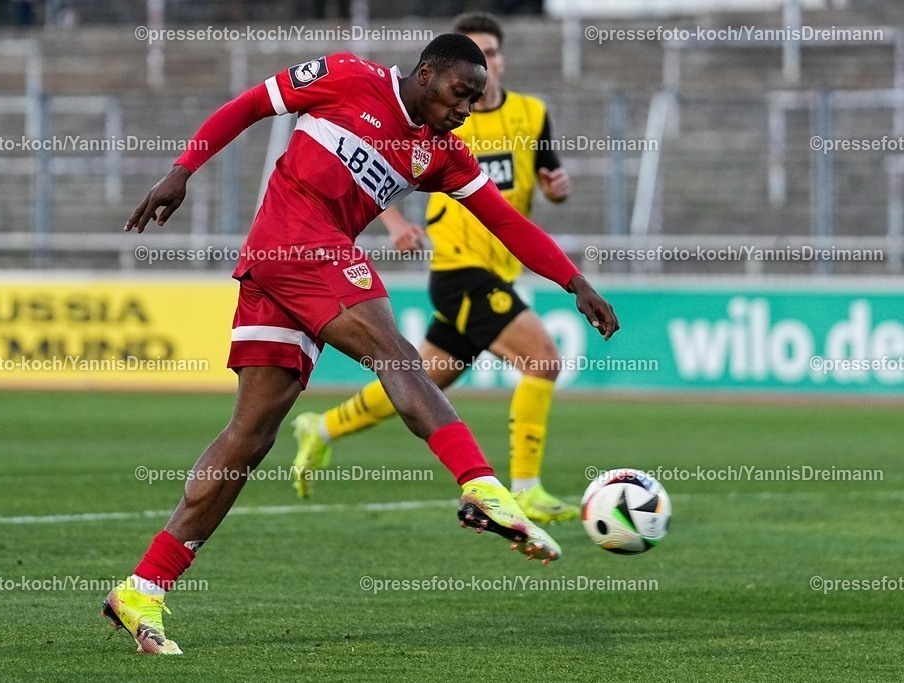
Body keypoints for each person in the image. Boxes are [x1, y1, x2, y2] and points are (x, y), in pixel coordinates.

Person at [102, 33, 619, 655]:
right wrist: (182, 169)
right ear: (426, 75)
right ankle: (482, 486)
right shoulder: (348, 77)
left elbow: (507, 222)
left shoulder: (441, 154)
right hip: (296, 245)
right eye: (460, 94)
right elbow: (248, 106)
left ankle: (143, 587)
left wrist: (575, 281)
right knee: (395, 355)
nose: (466, 110)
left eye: (476, 101)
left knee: (250, 436)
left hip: (287, 271)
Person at [292, 13, 580, 524]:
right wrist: (397, 223)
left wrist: (558, 190)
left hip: (501, 270)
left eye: (490, 54)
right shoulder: (436, 118)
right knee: (543, 359)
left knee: (420, 384)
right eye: (474, 56)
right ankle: (527, 488)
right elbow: (366, 164)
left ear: (500, 60)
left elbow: (543, 184)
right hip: (459, 271)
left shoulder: (532, 114)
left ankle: (324, 427)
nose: (482, 66)